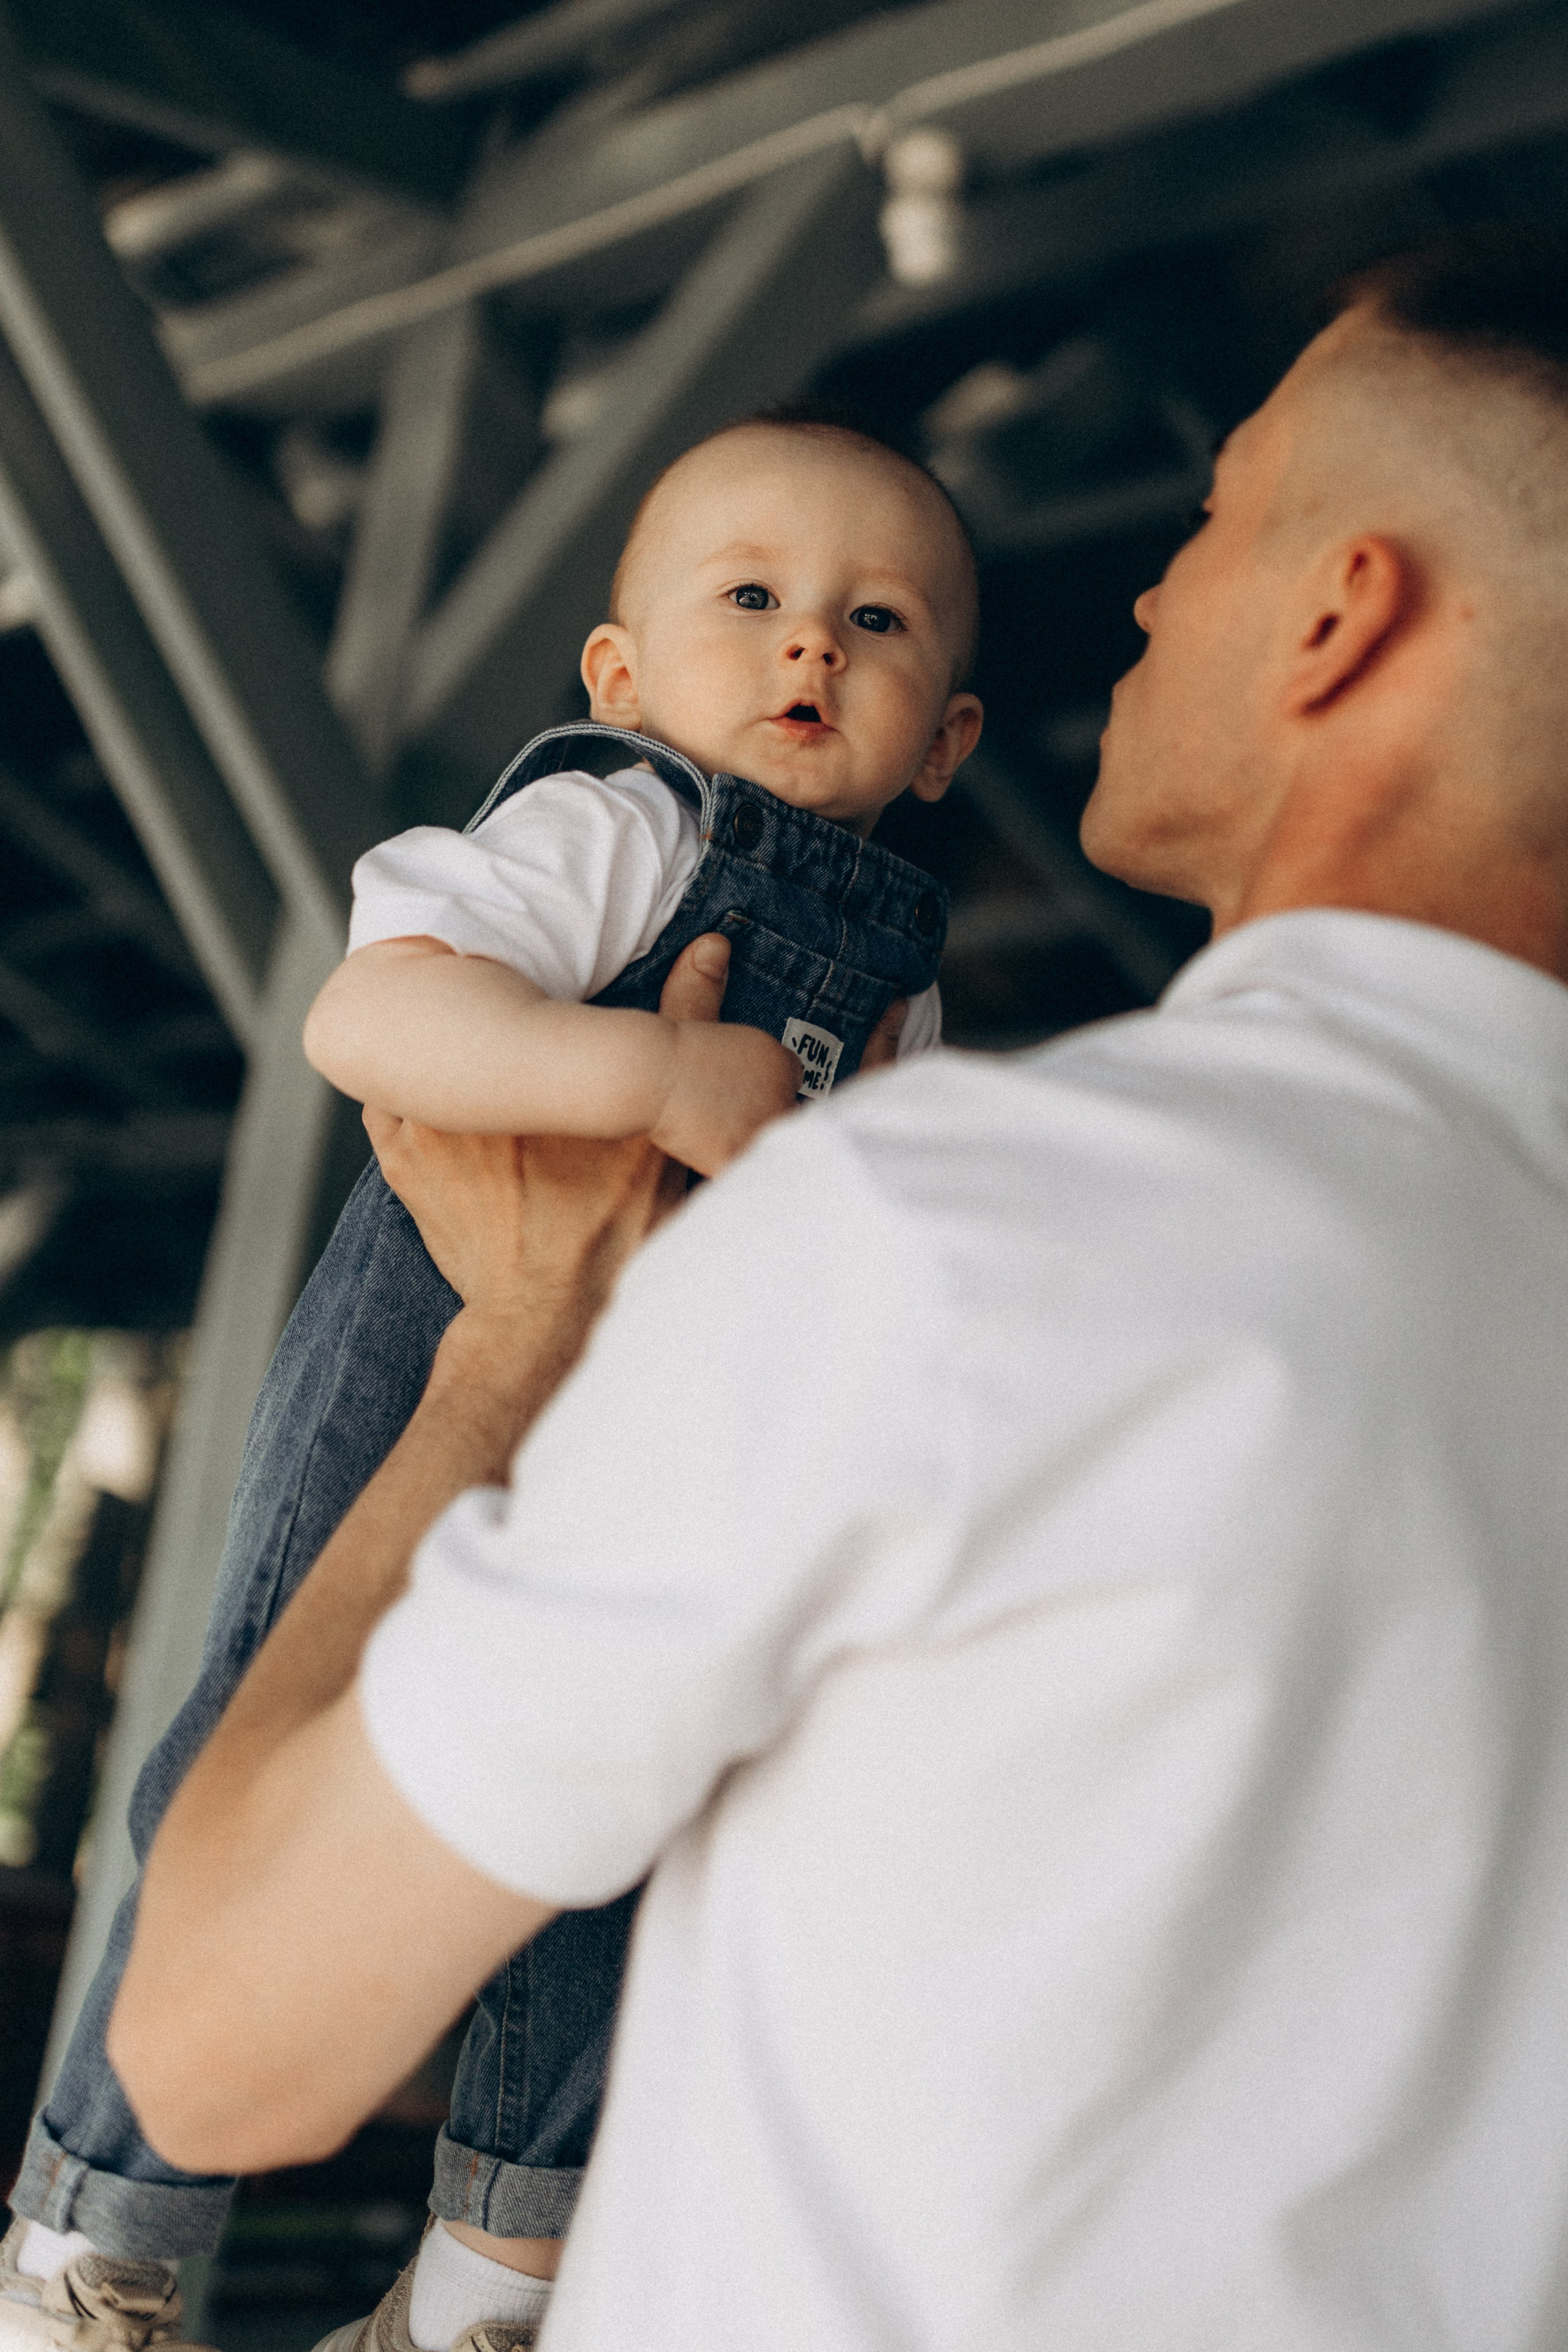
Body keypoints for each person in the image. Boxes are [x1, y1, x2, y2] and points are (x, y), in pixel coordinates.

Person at [66, 224, 1568, 2348]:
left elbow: (222, 2036)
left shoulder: (955, 1226)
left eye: (1220, 513)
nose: (1144, 587)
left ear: (1342, 616)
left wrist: (509, 1345)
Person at [0, 416, 981, 2352]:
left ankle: (496, 2277)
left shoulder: (908, 979)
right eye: (756, 601)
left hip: (685, 1410)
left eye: (878, 623)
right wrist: (645, 1080)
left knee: (642, 1795)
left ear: (947, 738)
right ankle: (97, 2235)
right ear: (618, 676)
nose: (812, 652)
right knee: (262, 1723)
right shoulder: (623, 817)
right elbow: (374, 1010)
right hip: (444, 1333)